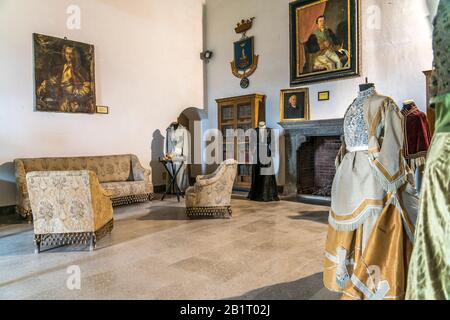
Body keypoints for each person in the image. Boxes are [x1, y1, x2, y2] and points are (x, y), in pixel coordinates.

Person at [37, 45, 94, 113]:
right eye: (67, 53)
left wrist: (78, 95)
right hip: (63, 103)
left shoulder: (82, 71)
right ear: (64, 54)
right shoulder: (60, 70)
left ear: (76, 55)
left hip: (79, 104)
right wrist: (44, 86)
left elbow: (88, 87)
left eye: (71, 54)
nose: (69, 56)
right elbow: (51, 82)